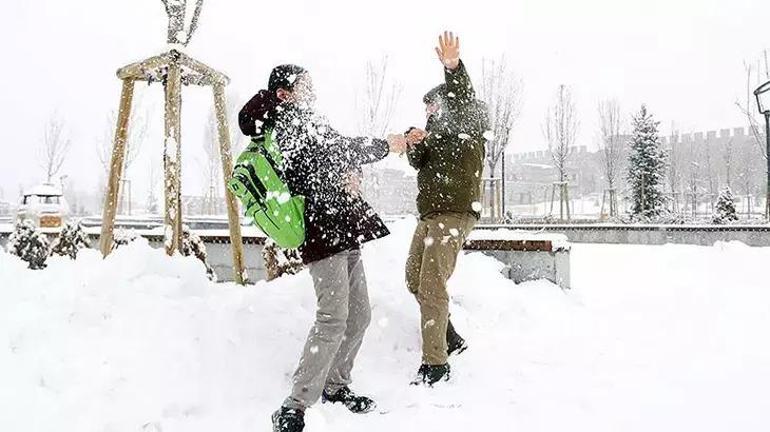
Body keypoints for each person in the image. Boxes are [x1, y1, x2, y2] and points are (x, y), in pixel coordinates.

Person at [238, 64, 408, 432]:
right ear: (285, 92)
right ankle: (294, 405)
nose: (311, 89)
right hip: (321, 230)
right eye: (304, 85)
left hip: (343, 226)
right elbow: (336, 150)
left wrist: (354, 175)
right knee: (332, 318)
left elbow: (335, 157)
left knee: (359, 315)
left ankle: (335, 386)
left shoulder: (307, 118)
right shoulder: (286, 121)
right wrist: (385, 146)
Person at [403, 32, 489, 386]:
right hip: (430, 215)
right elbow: (418, 162)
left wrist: (452, 67)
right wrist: (413, 142)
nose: (429, 111)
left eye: (433, 105)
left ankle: (435, 364)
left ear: (448, 103)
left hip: (454, 214)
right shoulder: (434, 135)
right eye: (426, 108)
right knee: (414, 278)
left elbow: (463, 97)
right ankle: (449, 336)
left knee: (432, 285)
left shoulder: (466, 123)